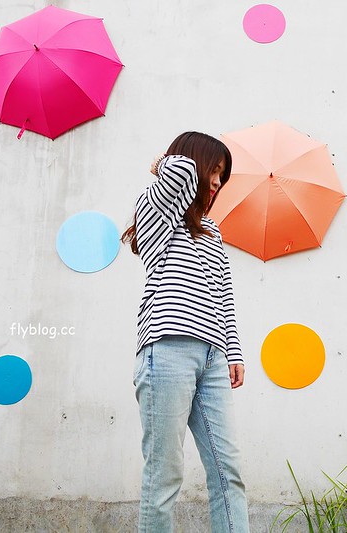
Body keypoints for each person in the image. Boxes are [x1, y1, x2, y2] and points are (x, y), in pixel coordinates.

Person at [121, 131, 249, 533]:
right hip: (168, 350)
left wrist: (233, 351)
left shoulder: (212, 232)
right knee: (165, 475)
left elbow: (223, 295)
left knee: (228, 471)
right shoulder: (158, 215)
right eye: (214, 171)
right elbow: (179, 171)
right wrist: (168, 164)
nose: (216, 182)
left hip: (212, 357)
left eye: (222, 176)